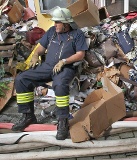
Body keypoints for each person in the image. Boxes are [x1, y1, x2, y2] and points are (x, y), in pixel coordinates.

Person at [12, 7, 88, 140]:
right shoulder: (52, 32)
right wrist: (35, 54)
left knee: (60, 85)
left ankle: (63, 121)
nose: (55, 24)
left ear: (66, 23)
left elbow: (81, 54)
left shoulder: (77, 34)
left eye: (57, 22)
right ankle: (28, 115)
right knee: (21, 79)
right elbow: (41, 48)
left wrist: (64, 61)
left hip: (66, 68)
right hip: (48, 66)